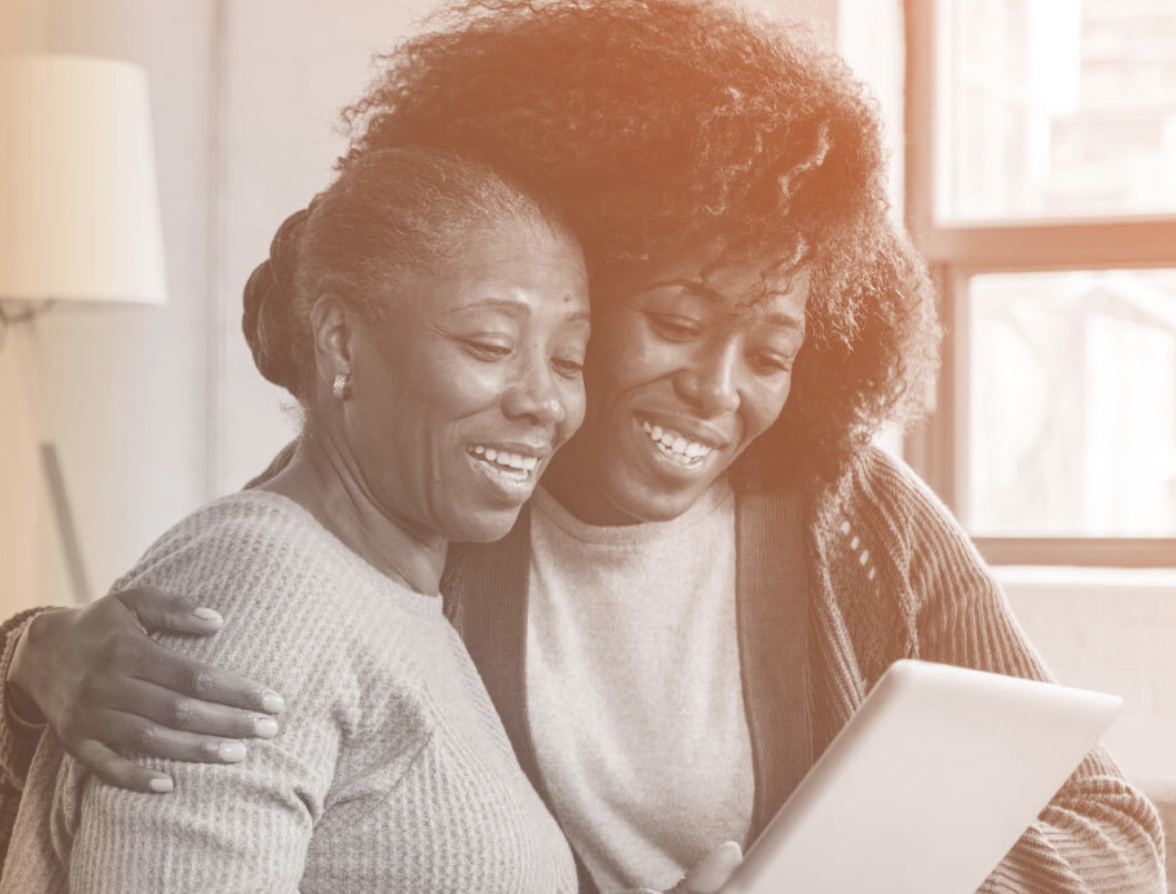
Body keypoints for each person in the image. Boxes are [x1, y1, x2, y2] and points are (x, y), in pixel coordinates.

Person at [0, 1, 1165, 892]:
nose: (717, 393)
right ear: (583, 287)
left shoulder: (851, 515)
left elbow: (1115, 834)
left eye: (771, 351)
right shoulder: (436, 495)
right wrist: (34, 660)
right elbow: (237, 645)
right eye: (677, 323)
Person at [0, 147, 594, 892]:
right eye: (490, 346)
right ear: (342, 342)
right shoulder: (264, 593)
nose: (544, 401)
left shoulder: (398, 599)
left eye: (570, 360)